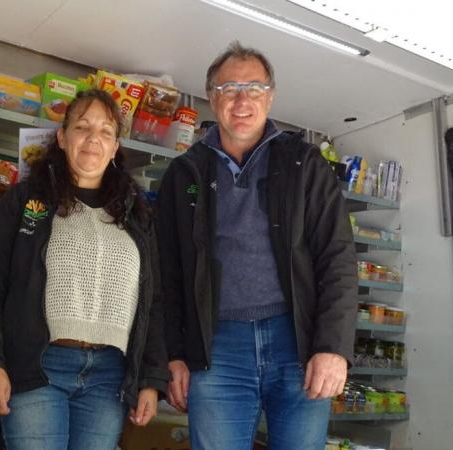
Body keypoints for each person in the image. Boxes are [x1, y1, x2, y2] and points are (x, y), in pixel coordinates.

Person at [156, 41, 358, 449]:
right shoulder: (185, 173)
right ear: (212, 98)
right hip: (216, 346)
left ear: (271, 97)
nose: (242, 99)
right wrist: (172, 355)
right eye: (229, 89)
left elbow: (338, 259)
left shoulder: (306, 164)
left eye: (255, 88)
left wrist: (333, 348)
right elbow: (166, 274)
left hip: (297, 339)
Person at [0, 89, 169, 450]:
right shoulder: (25, 200)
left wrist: (150, 380)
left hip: (110, 376)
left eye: (106, 131)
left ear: (114, 147)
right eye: (82, 127)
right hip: (38, 366)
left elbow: (153, 302)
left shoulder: (137, 216)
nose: (94, 139)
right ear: (62, 138)